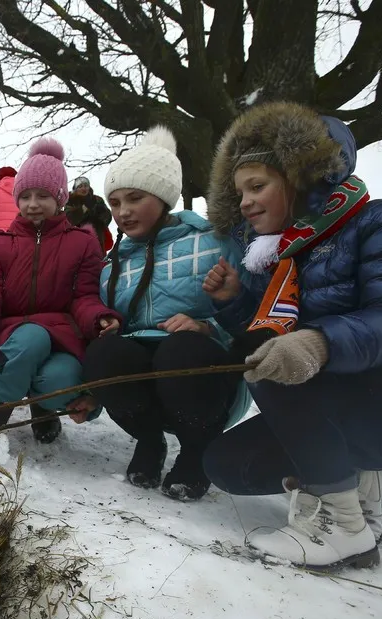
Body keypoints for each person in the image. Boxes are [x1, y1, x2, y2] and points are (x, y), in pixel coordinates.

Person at [200, 101, 382, 570]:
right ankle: (365, 479)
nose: (243, 202)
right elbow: (268, 340)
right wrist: (235, 302)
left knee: (282, 362)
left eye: (257, 186)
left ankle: (342, 523)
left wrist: (318, 342)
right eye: (238, 192)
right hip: (336, 399)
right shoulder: (278, 257)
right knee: (227, 464)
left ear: (303, 178)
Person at [71, 128, 251, 501]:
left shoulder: (215, 243)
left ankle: (196, 449)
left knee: (181, 350)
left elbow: (253, 315)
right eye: (116, 201)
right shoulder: (115, 262)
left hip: (203, 370)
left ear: (164, 196)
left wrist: (207, 325)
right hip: (146, 369)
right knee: (104, 354)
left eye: (135, 198)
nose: (123, 212)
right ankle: (149, 440)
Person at [0, 138, 118, 446]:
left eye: (42, 195)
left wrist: (98, 318)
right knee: (32, 338)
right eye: (25, 195)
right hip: (14, 334)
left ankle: (43, 410)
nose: (32, 204)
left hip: (61, 335)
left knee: (62, 378)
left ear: (60, 197)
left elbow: (85, 296)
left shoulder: (82, 242)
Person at [64, 176, 113, 251]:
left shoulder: (97, 199)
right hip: (77, 240)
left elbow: (108, 218)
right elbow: (69, 220)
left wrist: (102, 213)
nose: (83, 188)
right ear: (75, 189)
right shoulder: (71, 201)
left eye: (86, 186)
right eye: (80, 186)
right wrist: (84, 208)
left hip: (98, 238)